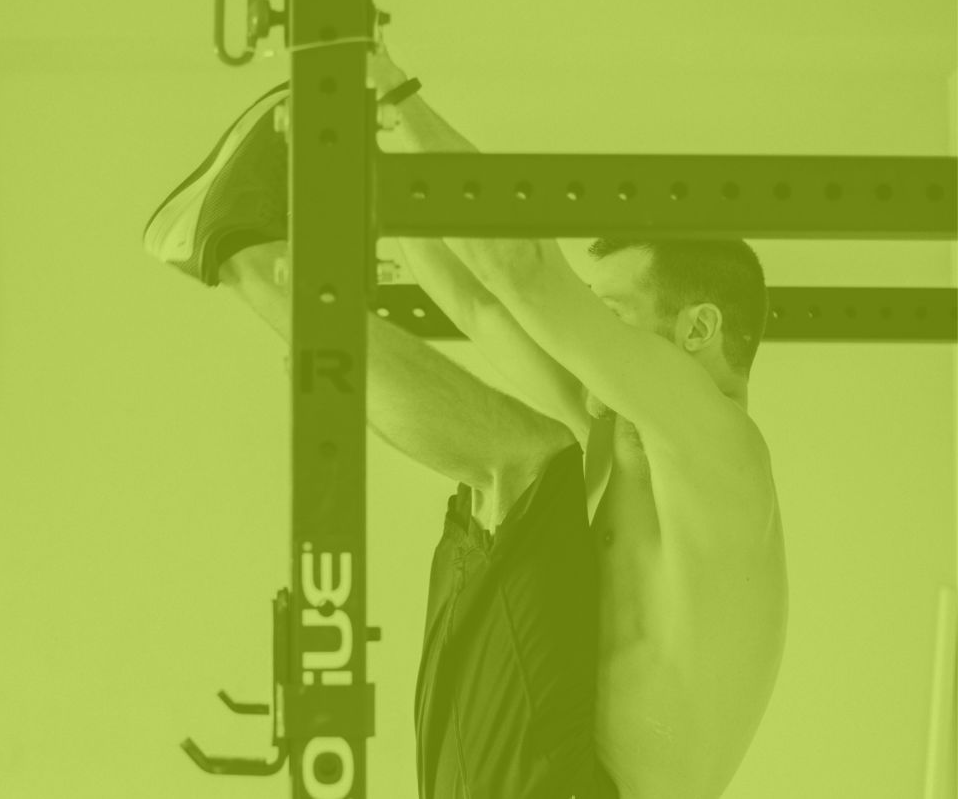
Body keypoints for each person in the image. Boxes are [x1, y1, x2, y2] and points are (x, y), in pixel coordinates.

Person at [144, 42, 788, 799]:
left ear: (699, 329)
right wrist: (374, 154)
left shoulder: (722, 446)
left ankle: (246, 260)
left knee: (526, 461)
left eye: (613, 316)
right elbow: (478, 302)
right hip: (534, 765)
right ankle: (253, 267)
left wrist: (393, 94)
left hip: (573, 787)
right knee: (509, 481)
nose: (594, 339)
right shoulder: (627, 445)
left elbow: (526, 275)